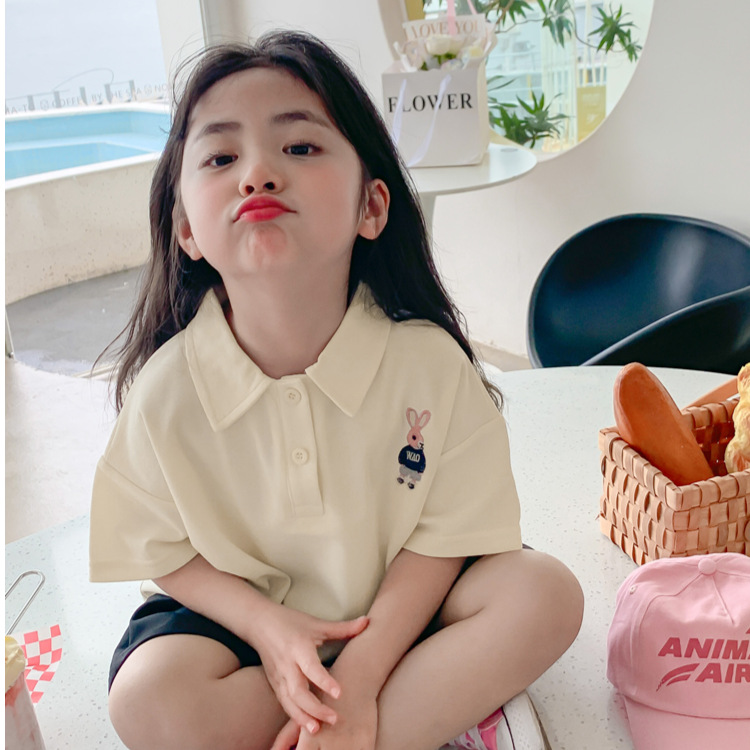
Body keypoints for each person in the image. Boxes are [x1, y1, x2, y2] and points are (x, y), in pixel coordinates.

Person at [89, 30, 584, 750]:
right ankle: (397, 709)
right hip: (246, 628)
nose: (258, 173)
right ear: (187, 228)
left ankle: (350, 724)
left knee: (545, 595)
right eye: (222, 158)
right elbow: (159, 546)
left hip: (406, 609)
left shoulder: (429, 361)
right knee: (148, 701)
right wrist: (268, 629)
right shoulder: (165, 390)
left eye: (299, 146)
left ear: (371, 207)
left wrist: (361, 674)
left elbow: (447, 538)